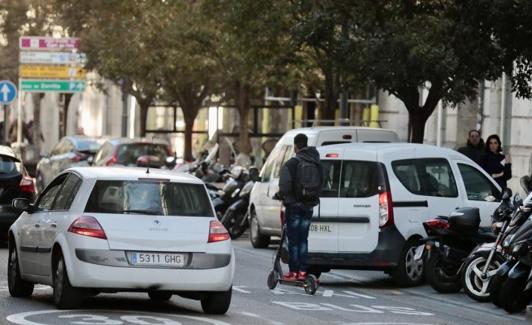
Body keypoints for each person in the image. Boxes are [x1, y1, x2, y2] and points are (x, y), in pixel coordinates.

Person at [275, 133, 323, 281]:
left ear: (296, 146)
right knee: (304, 239)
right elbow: (322, 182)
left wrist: (284, 197)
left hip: (294, 206)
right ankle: (303, 272)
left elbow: (284, 184)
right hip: (309, 206)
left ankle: (294, 272)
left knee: (293, 240)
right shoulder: (316, 163)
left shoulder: (292, 163)